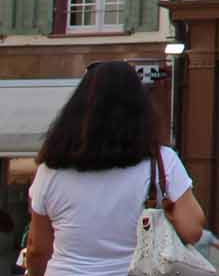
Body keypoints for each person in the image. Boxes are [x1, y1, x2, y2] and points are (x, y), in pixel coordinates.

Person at [26, 62, 205, 276]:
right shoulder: (161, 161)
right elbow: (192, 229)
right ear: (140, 108)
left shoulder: (50, 170)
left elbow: (38, 248)